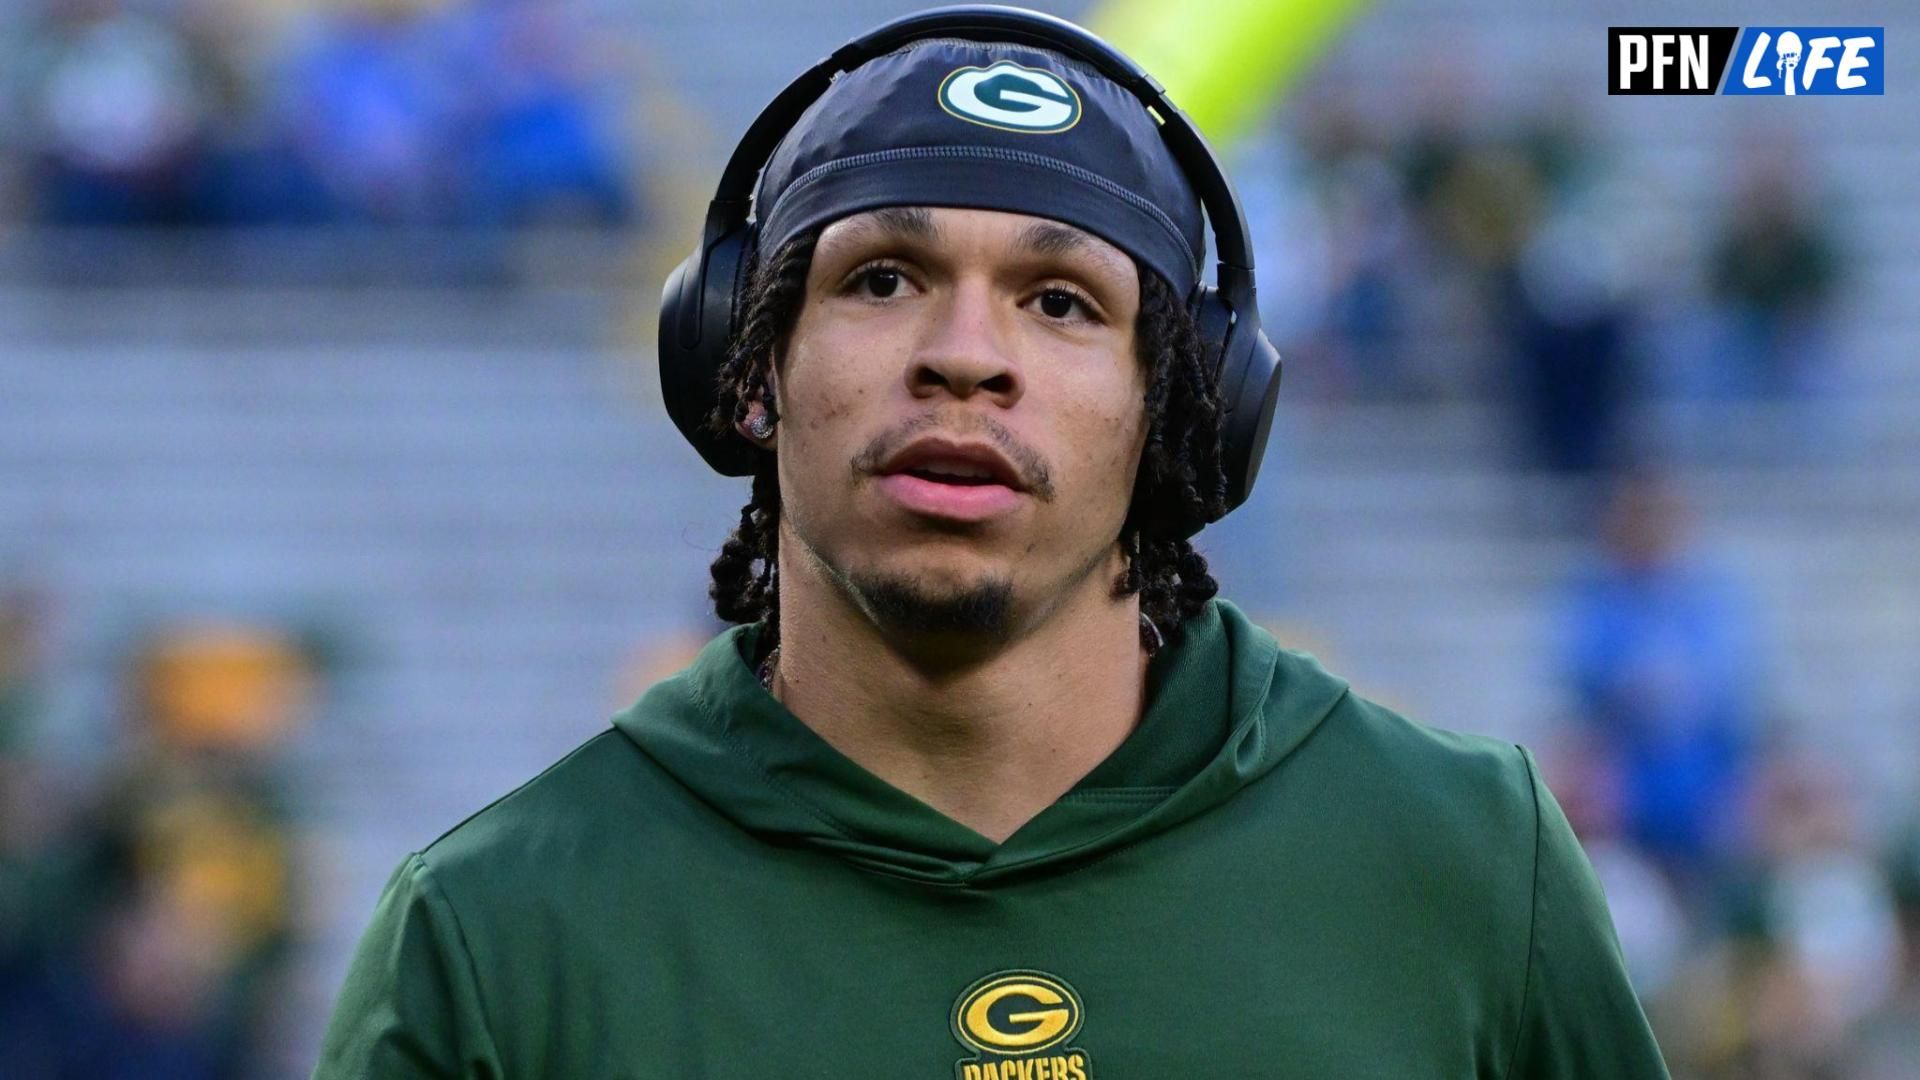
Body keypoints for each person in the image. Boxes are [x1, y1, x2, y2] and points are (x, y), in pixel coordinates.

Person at [314, 8, 1670, 1077]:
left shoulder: (1469, 857)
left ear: (1183, 413)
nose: (966, 357)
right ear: (744, 368)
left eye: (1061, 301)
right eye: (883, 279)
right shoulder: (489, 933)